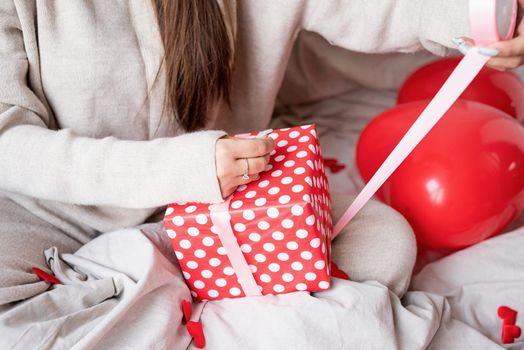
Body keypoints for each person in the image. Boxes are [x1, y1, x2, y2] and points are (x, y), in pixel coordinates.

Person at [0, 0, 522, 320]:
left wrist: (475, 15)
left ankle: (178, 291)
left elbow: (374, 6)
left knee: (383, 247)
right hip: (54, 216)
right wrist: (183, 170)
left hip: (225, 208)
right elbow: (9, 141)